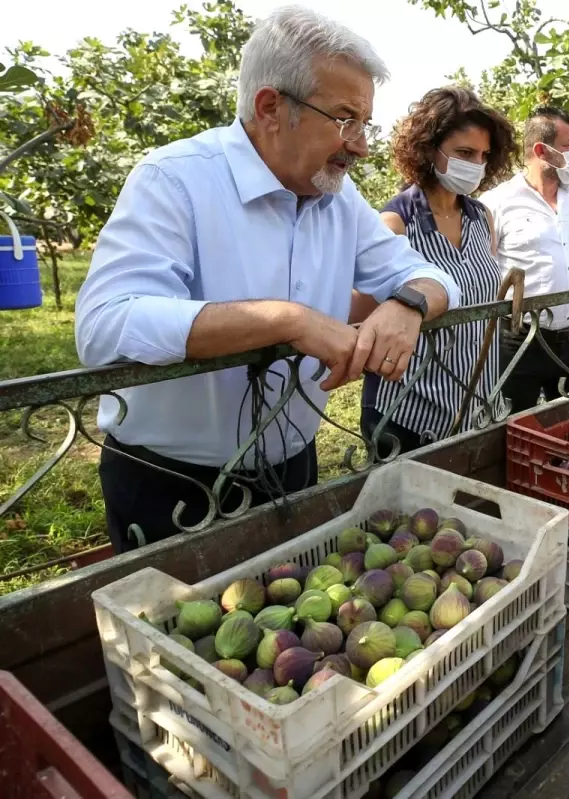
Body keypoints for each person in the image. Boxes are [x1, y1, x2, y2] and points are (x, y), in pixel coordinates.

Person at [73, 7, 460, 552]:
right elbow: (105, 325)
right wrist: (285, 319)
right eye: (346, 119)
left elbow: (431, 276)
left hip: (293, 465)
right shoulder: (175, 180)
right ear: (271, 107)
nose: (361, 145)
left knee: (290, 627)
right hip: (170, 484)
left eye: (365, 124)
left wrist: (406, 304)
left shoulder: (338, 200)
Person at [355, 86, 516, 455]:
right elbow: (366, 314)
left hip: (473, 405)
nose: (475, 164)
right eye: (464, 153)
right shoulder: (396, 223)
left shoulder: (481, 218)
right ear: (429, 150)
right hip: (408, 412)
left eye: (483, 155)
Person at [480, 106, 569, 412]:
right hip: (520, 343)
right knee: (515, 427)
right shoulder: (497, 203)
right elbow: (485, 270)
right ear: (541, 151)